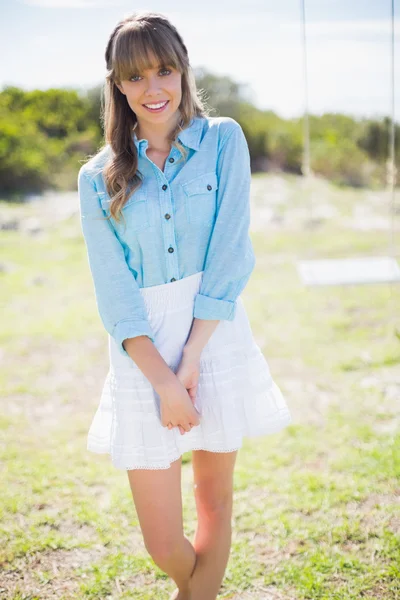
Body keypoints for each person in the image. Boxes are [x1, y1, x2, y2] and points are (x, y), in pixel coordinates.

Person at [77, 10, 292, 600]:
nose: (153, 89)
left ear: (183, 71)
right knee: (163, 542)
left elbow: (229, 253)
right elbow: (114, 292)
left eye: (164, 70)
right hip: (142, 350)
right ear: (117, 85)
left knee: (213, 502)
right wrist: (166, 382)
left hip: (214, 332)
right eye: (136, 76)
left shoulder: (223, 140)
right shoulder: (97, 177)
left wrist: (192, 360)